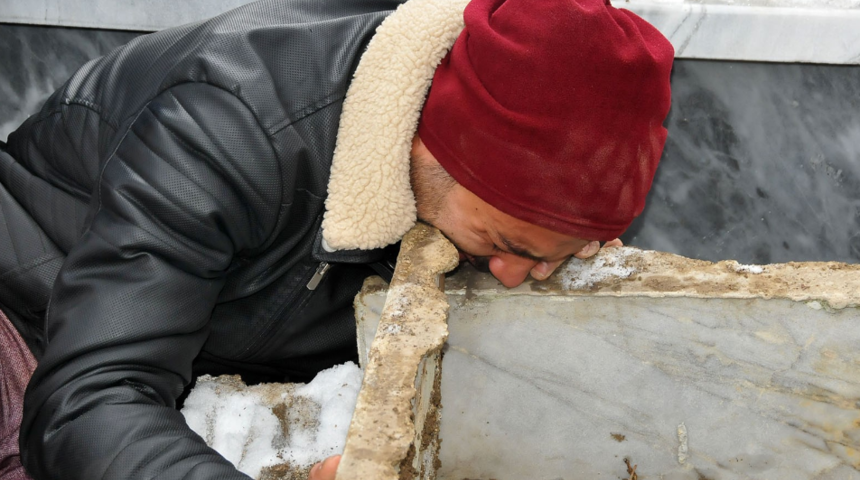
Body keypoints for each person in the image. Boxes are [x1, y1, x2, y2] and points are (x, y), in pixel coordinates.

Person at [0, 0, 673, 478]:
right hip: (33, 329)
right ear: (430, 153)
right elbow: (88, 404)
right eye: (506, 243)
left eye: (549, 258)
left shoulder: (460, 147)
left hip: (210, 374)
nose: (507, 275)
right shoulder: (227, 128)